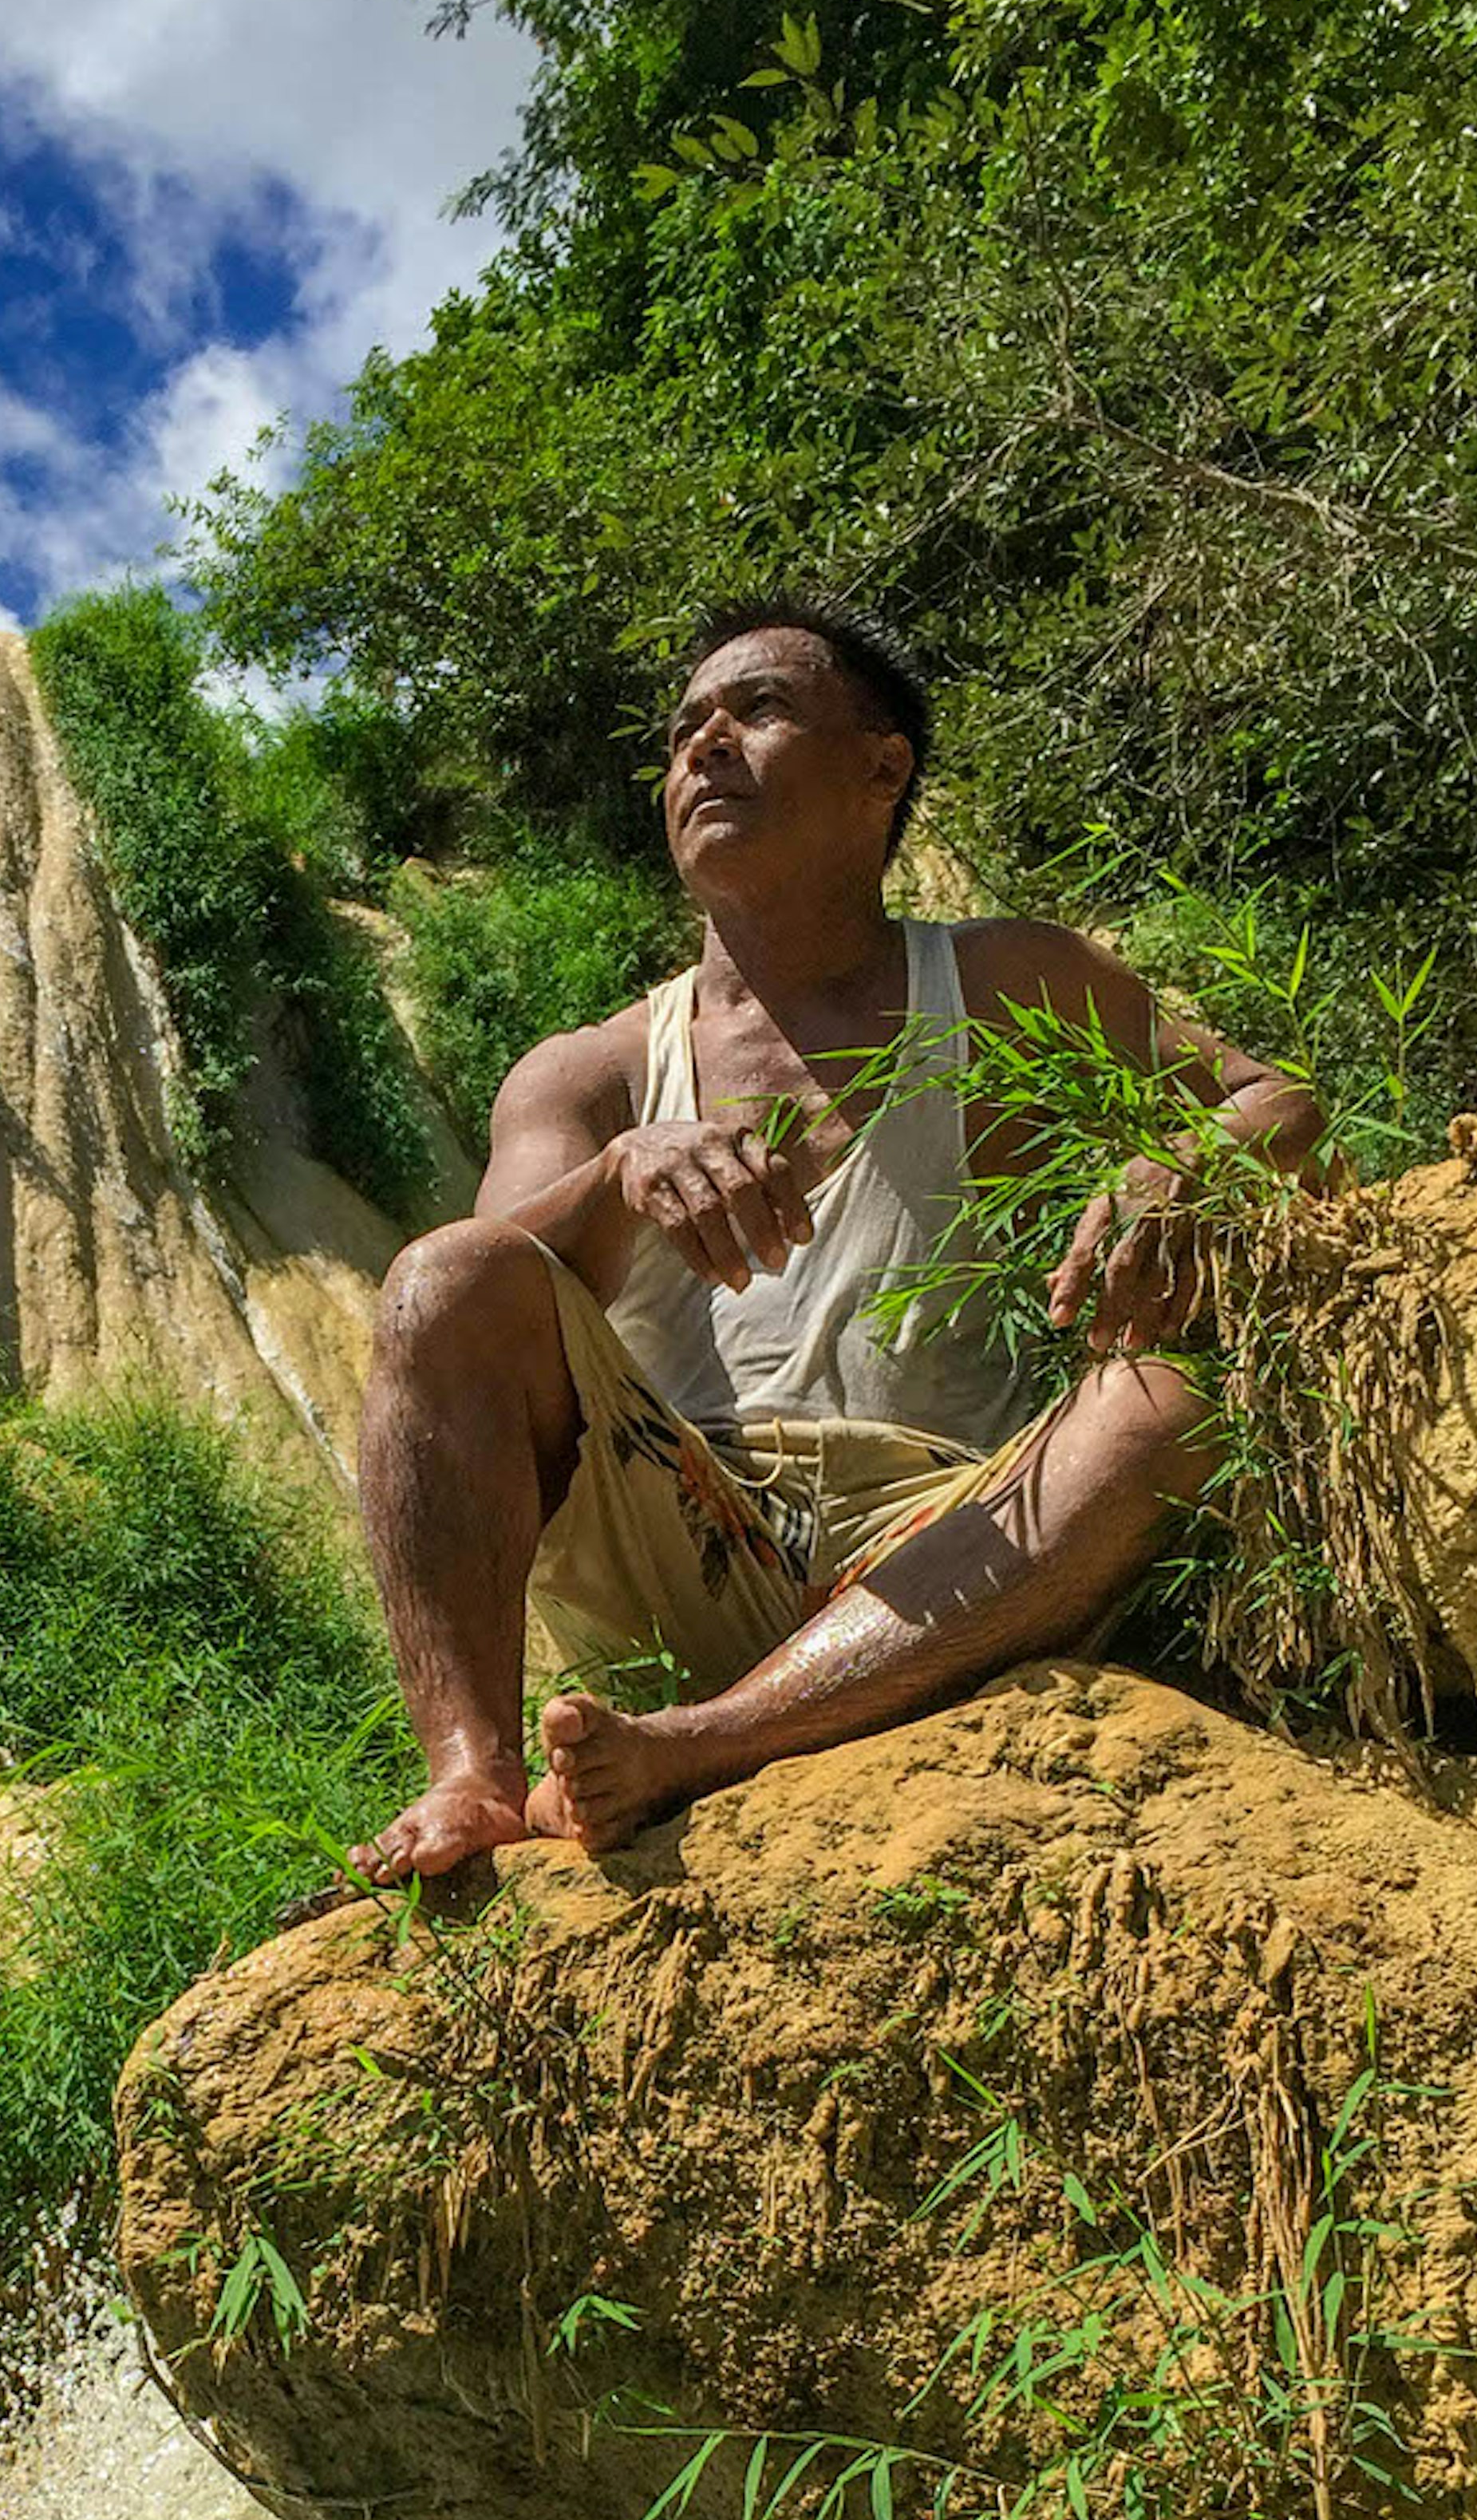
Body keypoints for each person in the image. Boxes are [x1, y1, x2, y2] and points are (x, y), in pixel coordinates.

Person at [348, 597, 1329, 1881]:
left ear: (881, 771)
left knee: (1164, 1403)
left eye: (757, 710)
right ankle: (474, 1777)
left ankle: (701, 1744)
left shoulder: (1005, 981)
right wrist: (619, 1171)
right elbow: (460, 1312)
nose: (705, 745)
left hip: (948, 1534)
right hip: (676, 1529)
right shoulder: (587, 1075)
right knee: (436, 1273)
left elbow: (1284, 1104)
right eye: (685, 727)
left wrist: (1183, 1161)